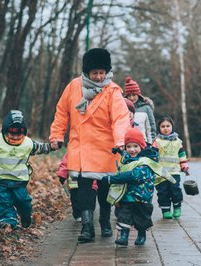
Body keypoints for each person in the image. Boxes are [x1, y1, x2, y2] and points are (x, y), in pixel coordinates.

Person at [49, 48, 130, 243]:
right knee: (84, 189)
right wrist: (56, 135)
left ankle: (104, 221)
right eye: (95, 72)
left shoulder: (112, 91)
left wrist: (121, 141)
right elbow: (62, 113)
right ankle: (87, 227)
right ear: (86, 72)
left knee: (104, 190)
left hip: (106, 147)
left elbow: (120, 118)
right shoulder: (73, 87)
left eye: (102, 72)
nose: (99, 76)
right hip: (81, 146)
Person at [102, 128, 174, 246]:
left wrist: (111, 179)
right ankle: (124, 237)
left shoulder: (146, 162)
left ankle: (141, 234)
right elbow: (127, 157)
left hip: (142, 197)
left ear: (142, 147)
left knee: (141, 219)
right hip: (127, 196)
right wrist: (119, 151)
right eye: (128, 146)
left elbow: (133, 176)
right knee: (123, 216)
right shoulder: (127, 157)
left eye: (135, 146)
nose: (132, 149)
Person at [152, 116, 189, 219]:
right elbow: (153, 156)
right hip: (160, 173)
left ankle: (177, 207)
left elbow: (181, 154)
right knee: (163, 192)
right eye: (163, 126)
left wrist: (184, 164)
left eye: (168, 126)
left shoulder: (177, 141)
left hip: (174, 172)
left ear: (172, 127)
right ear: (159, 128)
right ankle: (165, 210)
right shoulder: (156, 141)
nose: (166, 128)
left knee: (175, 190)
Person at [57, 153, 98, 222]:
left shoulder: (94, 149)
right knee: (75, 199)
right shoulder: (73, 149)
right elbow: (65, 162)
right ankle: (78, 214)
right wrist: (62, 174)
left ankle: (88, 213)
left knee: (90, 200)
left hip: (91, 180)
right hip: (75, 182)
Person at [124, 76, 156, 143]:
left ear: (138, 95)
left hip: (143, 143)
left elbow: (151, 127)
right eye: (129, 95)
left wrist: (151, 142)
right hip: (128, 143)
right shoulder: (123, 108)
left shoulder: (146, 108)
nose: (132, 98)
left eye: (134, 95)